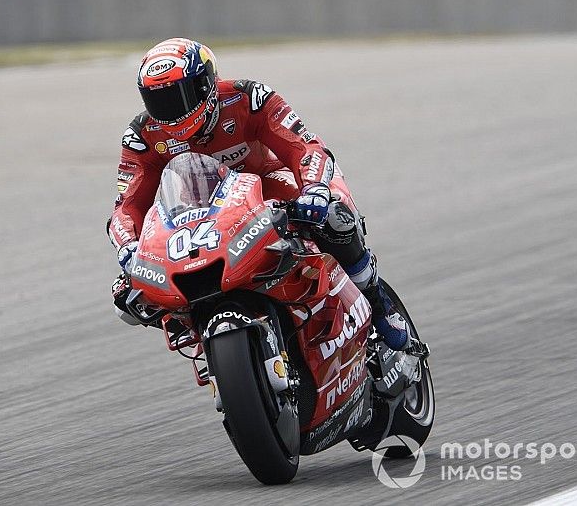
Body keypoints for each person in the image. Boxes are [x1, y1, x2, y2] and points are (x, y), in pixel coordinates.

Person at [106, 37, 427, 362]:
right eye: (158, 101)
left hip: (271, 191)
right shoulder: (142, 135)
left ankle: (376, 300)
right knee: (132, 290)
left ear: (206, 84)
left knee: (332, 217)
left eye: (179, 96)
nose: (171, 112)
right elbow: (127, 206)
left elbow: (305, 147)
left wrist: (313, 189)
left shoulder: (249, 98)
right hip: (199, 216)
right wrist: (128, 246)